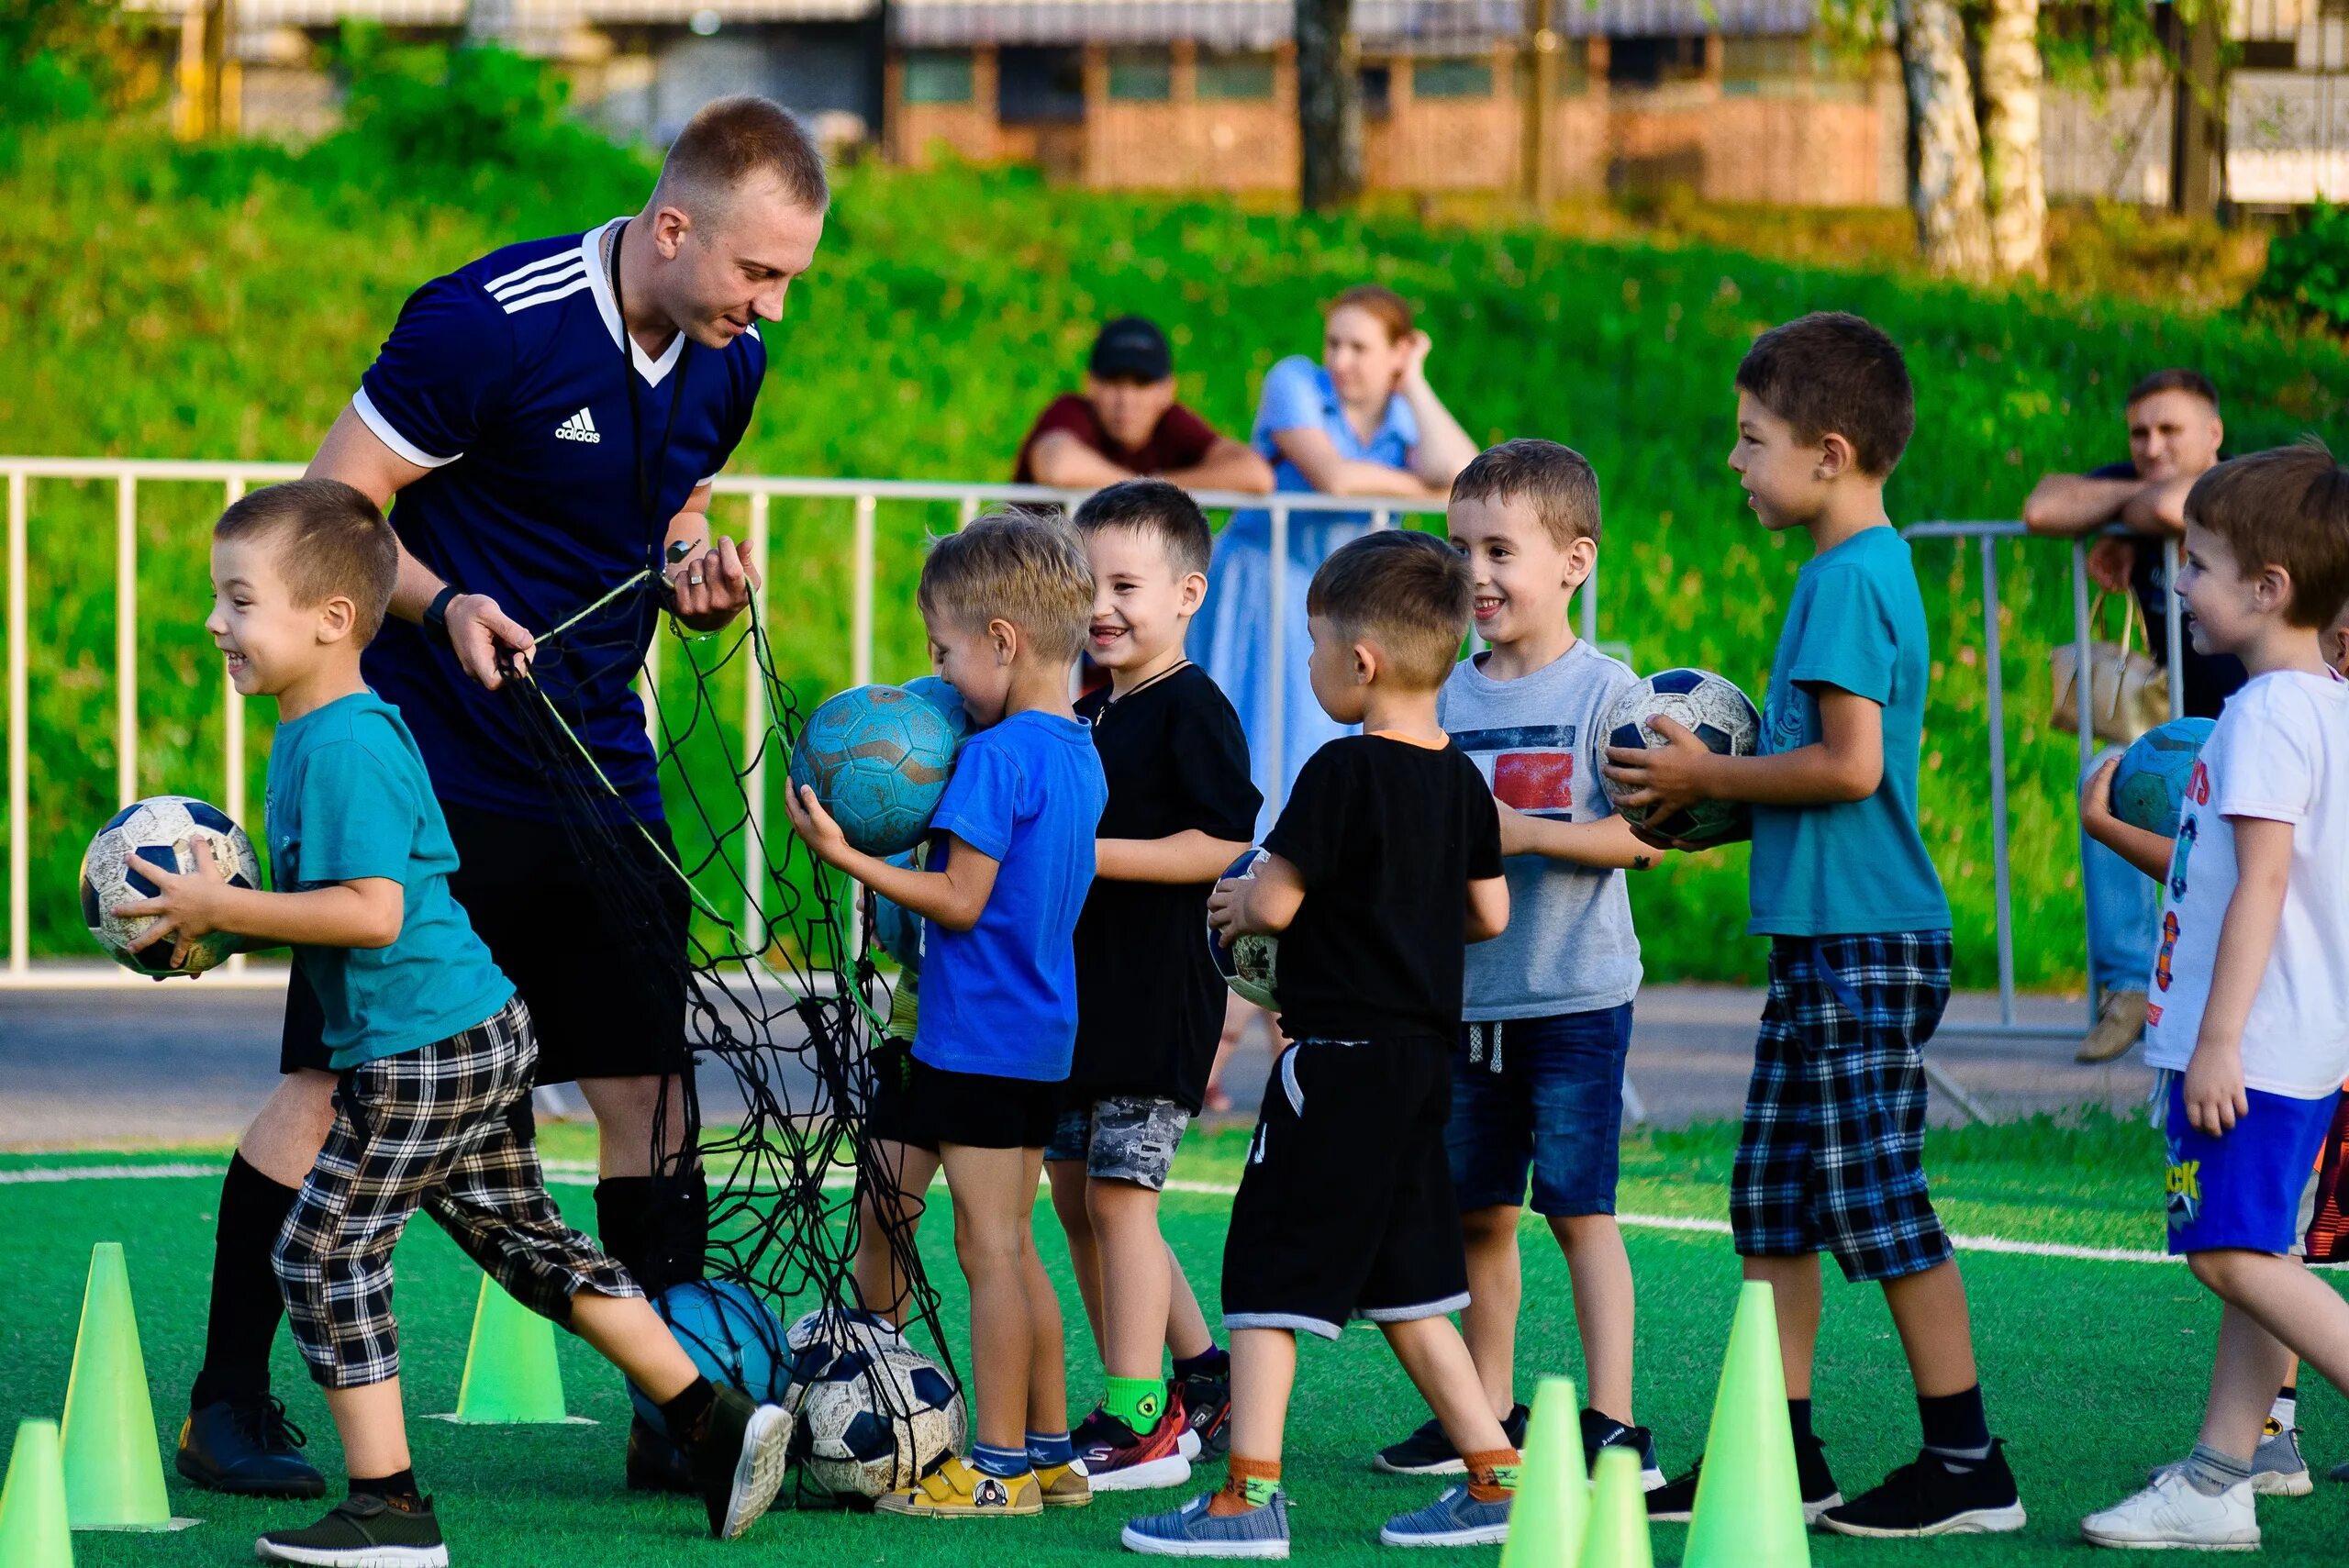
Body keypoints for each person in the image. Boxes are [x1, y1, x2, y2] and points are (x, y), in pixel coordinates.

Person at [173, 96, 826, 1500]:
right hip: (427, 771)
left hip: (600, 766)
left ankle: (683, 1418)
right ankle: (225, 1402)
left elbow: (673, 511)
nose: (771, 305)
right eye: (757, 272)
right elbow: (330, 508)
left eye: (787, 281)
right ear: (671, 227)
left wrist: (700, 568)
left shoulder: (732, 357)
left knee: (650, 1086)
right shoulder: (489, 319)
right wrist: (449, 597)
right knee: (330, 1080)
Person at [117, 482, 792, 1566]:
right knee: (533, 1247)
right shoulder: (321, 729)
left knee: (324, 1251)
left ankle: (388, 1508)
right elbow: (356, 906)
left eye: (239, 600)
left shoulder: (343, 744)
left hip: (427, 1047)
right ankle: (713, 1420)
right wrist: (222, 927)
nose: (215, 622)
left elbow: (373, 913)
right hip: (464, 1034)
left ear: (333, 619)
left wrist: (225, 907)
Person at [1605, 313, 2026, 1538]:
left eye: (1752, 439)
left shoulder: (1846, 581)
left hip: (1865, 939)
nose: (1735, 461)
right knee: (1775, 1201)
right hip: (1826, 933)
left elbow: (1846, 768)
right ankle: (1779, 1455)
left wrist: (1714, 780)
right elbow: (1831, 779)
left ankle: (1966, 1462)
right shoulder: (1853, 571)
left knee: (1877, 1195)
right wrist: (1702, 808)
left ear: (1829, 453)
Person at [1122, 529, 1518, 1556]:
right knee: (1408, 1281)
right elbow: (1489, 912)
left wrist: (1237, 899)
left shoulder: (1338, 770)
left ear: (1363, 661)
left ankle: (1244, 1496)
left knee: (1264, 1271)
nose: (1308, 667)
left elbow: (1278, 901)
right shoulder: (1463, 781)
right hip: (1423, 1061)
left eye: (1312, 646)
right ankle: (1494, 1471)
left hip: (1333, 1060)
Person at [786, 510, 1108, 1519]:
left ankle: (1002, 1465)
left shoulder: (997, 757)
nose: (937, 675)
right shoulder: (1076, 750)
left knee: (991, 1250)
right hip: (1025, 1033)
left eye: (944, 651)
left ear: (1003, 642)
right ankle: (1052, 1450)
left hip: (980, 1038)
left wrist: (853, 859)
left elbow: (964, 900)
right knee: (993, 1235)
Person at [1372, 439, 1664, 1487]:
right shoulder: (1439, 693)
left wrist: (1520, 832)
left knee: (1579, 1208)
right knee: (1476, 1212)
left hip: (1574, 995)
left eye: (1501, 548)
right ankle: (1483, 1416)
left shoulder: (1607, 690)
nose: (1475, 574)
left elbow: (1645, 836)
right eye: (1459, 549)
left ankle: (1613, 1418)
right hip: (1463, 999)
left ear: (1574, 559)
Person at [2072, 444, 2349, 1551]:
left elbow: (2266, 886)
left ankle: (2219, 1474)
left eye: (2198, 564)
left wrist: (2220, 1039)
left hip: (2254, 1045)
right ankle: (2217, 1476)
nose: (2179, 584)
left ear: (2267, 587)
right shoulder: (2320, 704)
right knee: (2254, 1254)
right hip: (2293, 1039)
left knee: (2228, 1253)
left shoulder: (2267, 716)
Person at [1049, 480, 1261, 1491]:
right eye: (1087, 582)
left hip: (1155, 995)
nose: (1102, 605)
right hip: (1072, 1001)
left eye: (1125, 584)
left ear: (1187, 593)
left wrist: (1088, 856)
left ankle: (1139, 1410)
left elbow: (1222, 840)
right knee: (1080, 1197)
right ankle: (1199, 1371)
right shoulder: (1084, 709)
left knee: (1124, 1199)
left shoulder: (1192, 706)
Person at [1194, 285, 1479, 829]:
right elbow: (1334, 477)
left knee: (1331, 727)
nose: (1340, 360)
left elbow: (1466, 477)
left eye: (1359, 348)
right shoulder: (1295, 381)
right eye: (1334, 343)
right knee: (1260, 724)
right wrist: (1420, 487)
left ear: (1397, 353)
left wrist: (1414, 380)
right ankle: (1241, 866)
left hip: (1351, 601)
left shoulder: (1402, 411)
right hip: (1266, 583)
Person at [2022, 371, 2240, 1064]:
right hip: (2178, 733)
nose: (2150, 445)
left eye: (2170, 431)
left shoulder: (2246, 487)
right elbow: (2042, 508)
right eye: (2139, 432)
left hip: (2258, 721)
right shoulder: (2140, 476)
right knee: (2104, 775)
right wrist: (2130, 509)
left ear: (2214, 436)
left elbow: (2179, 506)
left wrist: (2121, 515)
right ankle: (2127, 988)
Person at [1013, 317, 1275, 494]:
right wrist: (1150, 493)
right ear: (1089, 385)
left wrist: (1154, 489)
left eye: (1142, 383)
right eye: (1114, 382)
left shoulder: (1171, 423)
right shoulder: (1070, 410)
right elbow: (1057, 466)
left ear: (1167, 390)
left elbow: (1256, 474)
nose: (1126, 399)